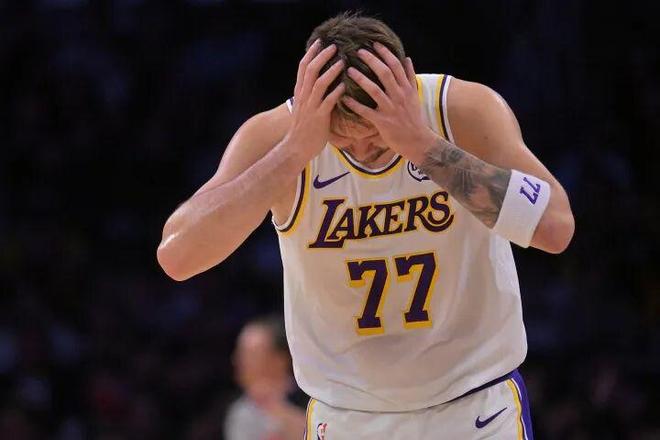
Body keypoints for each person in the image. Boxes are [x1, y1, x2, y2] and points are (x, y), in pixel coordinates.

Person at [157, 12, 574, 440]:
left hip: (474, 404)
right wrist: (294, 151)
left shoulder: (460, 111)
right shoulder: (279, 135)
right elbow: (177, 255)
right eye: (342, 137)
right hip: (345, 415)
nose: (361, 150)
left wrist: (421, 144)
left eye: (374, 135)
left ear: (406, 86)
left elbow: (556, 227)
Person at [224, 315, 307, 440]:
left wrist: (275, 408)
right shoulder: (242, 412)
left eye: (251, 355)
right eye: (240, 354)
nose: (238, 361)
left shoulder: (314, 396)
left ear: (280, 360)